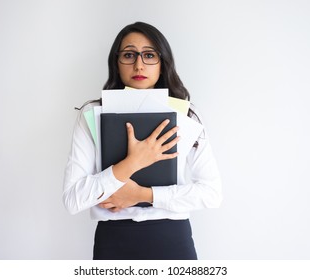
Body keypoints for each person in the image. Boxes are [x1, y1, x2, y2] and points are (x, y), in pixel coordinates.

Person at [63, 22, 222, 260]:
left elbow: (211, 193)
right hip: (113, 241)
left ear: (162, 63)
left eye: (149, 55)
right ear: (116, 63)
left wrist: (143, 195)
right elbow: (73, 200)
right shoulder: (92, 114)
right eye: (129, 55)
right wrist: (133, 162)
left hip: (172, 239)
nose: (139, 64)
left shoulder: (186, 114)